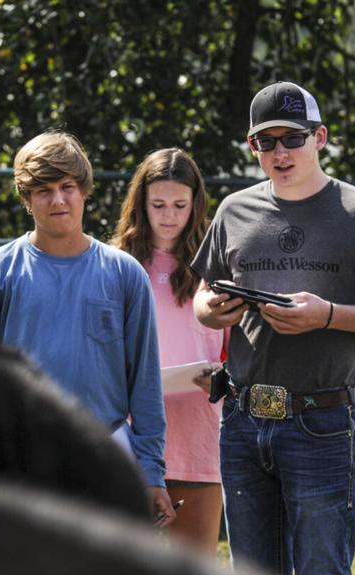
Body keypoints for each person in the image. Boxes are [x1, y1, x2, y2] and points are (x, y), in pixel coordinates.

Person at [192, 81, 355, 575]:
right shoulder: (234, 209)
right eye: (264, 142)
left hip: (321, 422)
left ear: (320, 138)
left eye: (292, 138)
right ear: (252, 148)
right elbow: (204, 296)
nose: (279, 153)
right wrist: (214, 310)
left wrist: (328, 315)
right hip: (245, 419)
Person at [0, 131, 173, 524]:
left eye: (67, 187)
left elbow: (145, 382)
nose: (58, 200)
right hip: (19, 462)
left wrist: (152, 471)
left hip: (105, 451)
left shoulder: (124, 274)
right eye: (43, 190)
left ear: (84, 190)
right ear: (26, 199)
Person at [113, 148, 227, 553]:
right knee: (125, 567)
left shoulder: (217, 262)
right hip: (132, 433)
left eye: (180, 205)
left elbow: (232, 345)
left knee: (194, 571)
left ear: (196, 205)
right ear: (140, 204)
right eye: (158, 204)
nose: (169, 216)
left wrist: (221, 375)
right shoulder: (118, 263)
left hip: (198, 429)